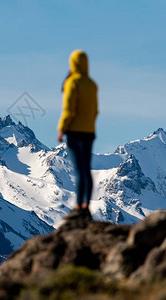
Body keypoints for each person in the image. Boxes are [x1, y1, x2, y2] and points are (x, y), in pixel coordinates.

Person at [57, 50, 98, 219]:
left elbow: (69, 110)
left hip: (74, 131)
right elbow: (95, 110)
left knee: (79, 170)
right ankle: (86, 205)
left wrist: (62, 129)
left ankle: (78, 206)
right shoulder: (92, 84)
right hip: (89, 132)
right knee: (87, 170)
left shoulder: (72, 83)